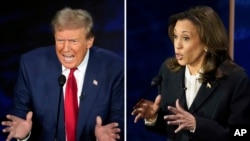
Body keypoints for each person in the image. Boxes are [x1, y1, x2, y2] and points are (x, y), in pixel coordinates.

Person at [1, 7, 124, 141]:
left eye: (73, 41)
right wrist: (24, 135)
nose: (65, 49)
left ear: (89, 41)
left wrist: (107, 137)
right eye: (60, 40)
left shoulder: (113, 67)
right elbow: (20, 113)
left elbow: (119, 120)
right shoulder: (31, 65)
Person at [131, 5, 250, 141]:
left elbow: (242, 133)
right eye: (176, 36)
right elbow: (172, 129)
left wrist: (197, 125)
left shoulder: (234, 79)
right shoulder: (169, 71)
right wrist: (153, 118)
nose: (178, 45)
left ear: (207, 42)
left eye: (185, 38)